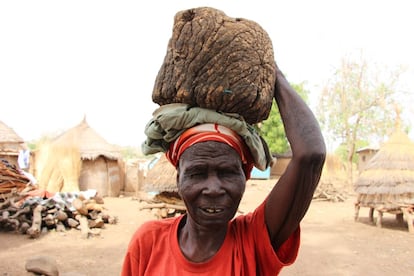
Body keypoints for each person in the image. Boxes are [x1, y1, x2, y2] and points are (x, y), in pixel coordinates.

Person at [121, 61, 326, 275]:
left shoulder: (253, 241)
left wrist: (272, 72)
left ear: (244, 177)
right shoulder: (149, 242)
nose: (213, 189)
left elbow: (311, 154)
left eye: (227, 173)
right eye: (198, 173)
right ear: (179, 178)